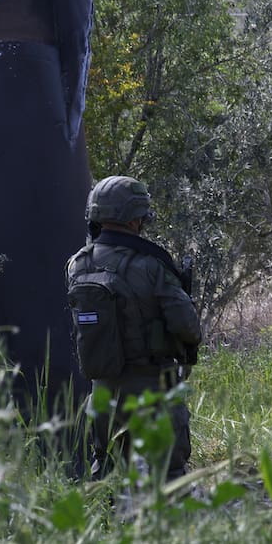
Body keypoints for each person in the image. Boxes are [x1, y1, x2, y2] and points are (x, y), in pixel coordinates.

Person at [66, 175, 202, 480]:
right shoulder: (151, 265)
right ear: (133, 219)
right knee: (168, 480)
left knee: (109, 478)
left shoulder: (77, 265)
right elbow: (187, 325)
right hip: (153, 390)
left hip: (102, 395)